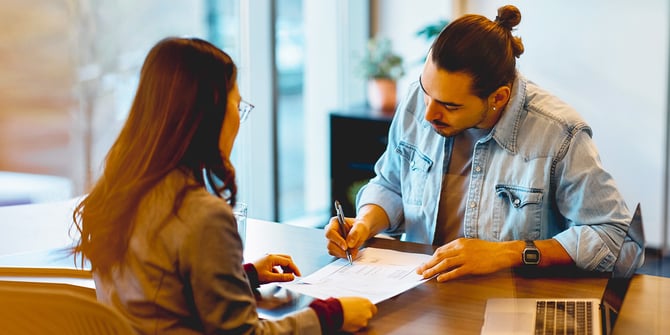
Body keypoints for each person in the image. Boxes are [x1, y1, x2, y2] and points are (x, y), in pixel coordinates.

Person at [71, 37, 376, 334]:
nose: (238, 122)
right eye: (238, 106)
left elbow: (156, 294)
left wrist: (242, 276)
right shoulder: (201, 214)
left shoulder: (119, 192)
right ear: (210, 112)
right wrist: (330, 315)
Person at [326, 5, 644, 282]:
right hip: (417, 291)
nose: (428, 113)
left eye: (450, 106)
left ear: (498, 98)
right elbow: (392, 184)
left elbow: (616, 238)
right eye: (426, 90)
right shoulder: (418, 101)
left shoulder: (559, 133)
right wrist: (366, 223)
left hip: (510, 301)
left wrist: (506, 254)